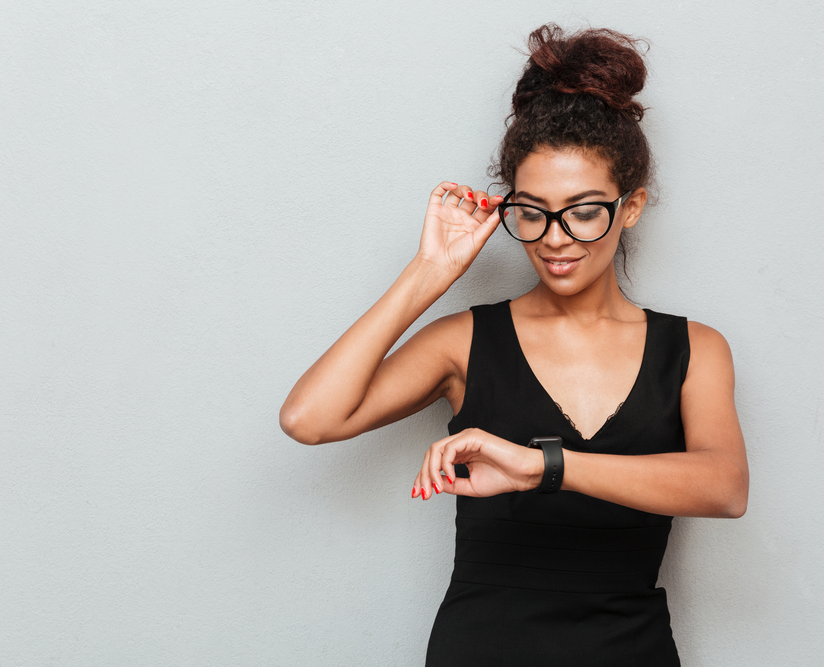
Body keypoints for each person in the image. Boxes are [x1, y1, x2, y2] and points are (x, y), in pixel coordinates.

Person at [280, 23, 748, 667]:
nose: (555, 238)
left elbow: (724, 488)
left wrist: (544, 466)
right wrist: (430, 273)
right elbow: (309, 419)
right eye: (532, 211)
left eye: (585, 210)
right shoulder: (466, 342)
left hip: (630, 651)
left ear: (631, 206)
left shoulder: (694, 348)